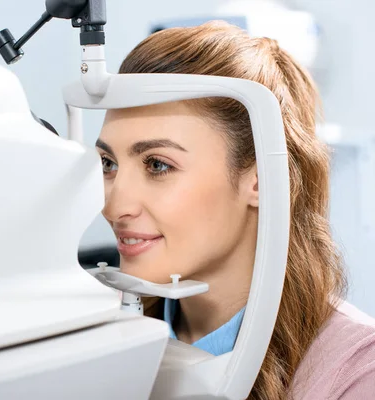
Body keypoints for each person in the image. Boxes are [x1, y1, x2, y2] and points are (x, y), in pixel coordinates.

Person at [96, 21, 375, 399]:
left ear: (262, 179)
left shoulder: (355, 372)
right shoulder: (96, 335)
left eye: (157, 165)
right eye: (109, 164)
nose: (113, 205)